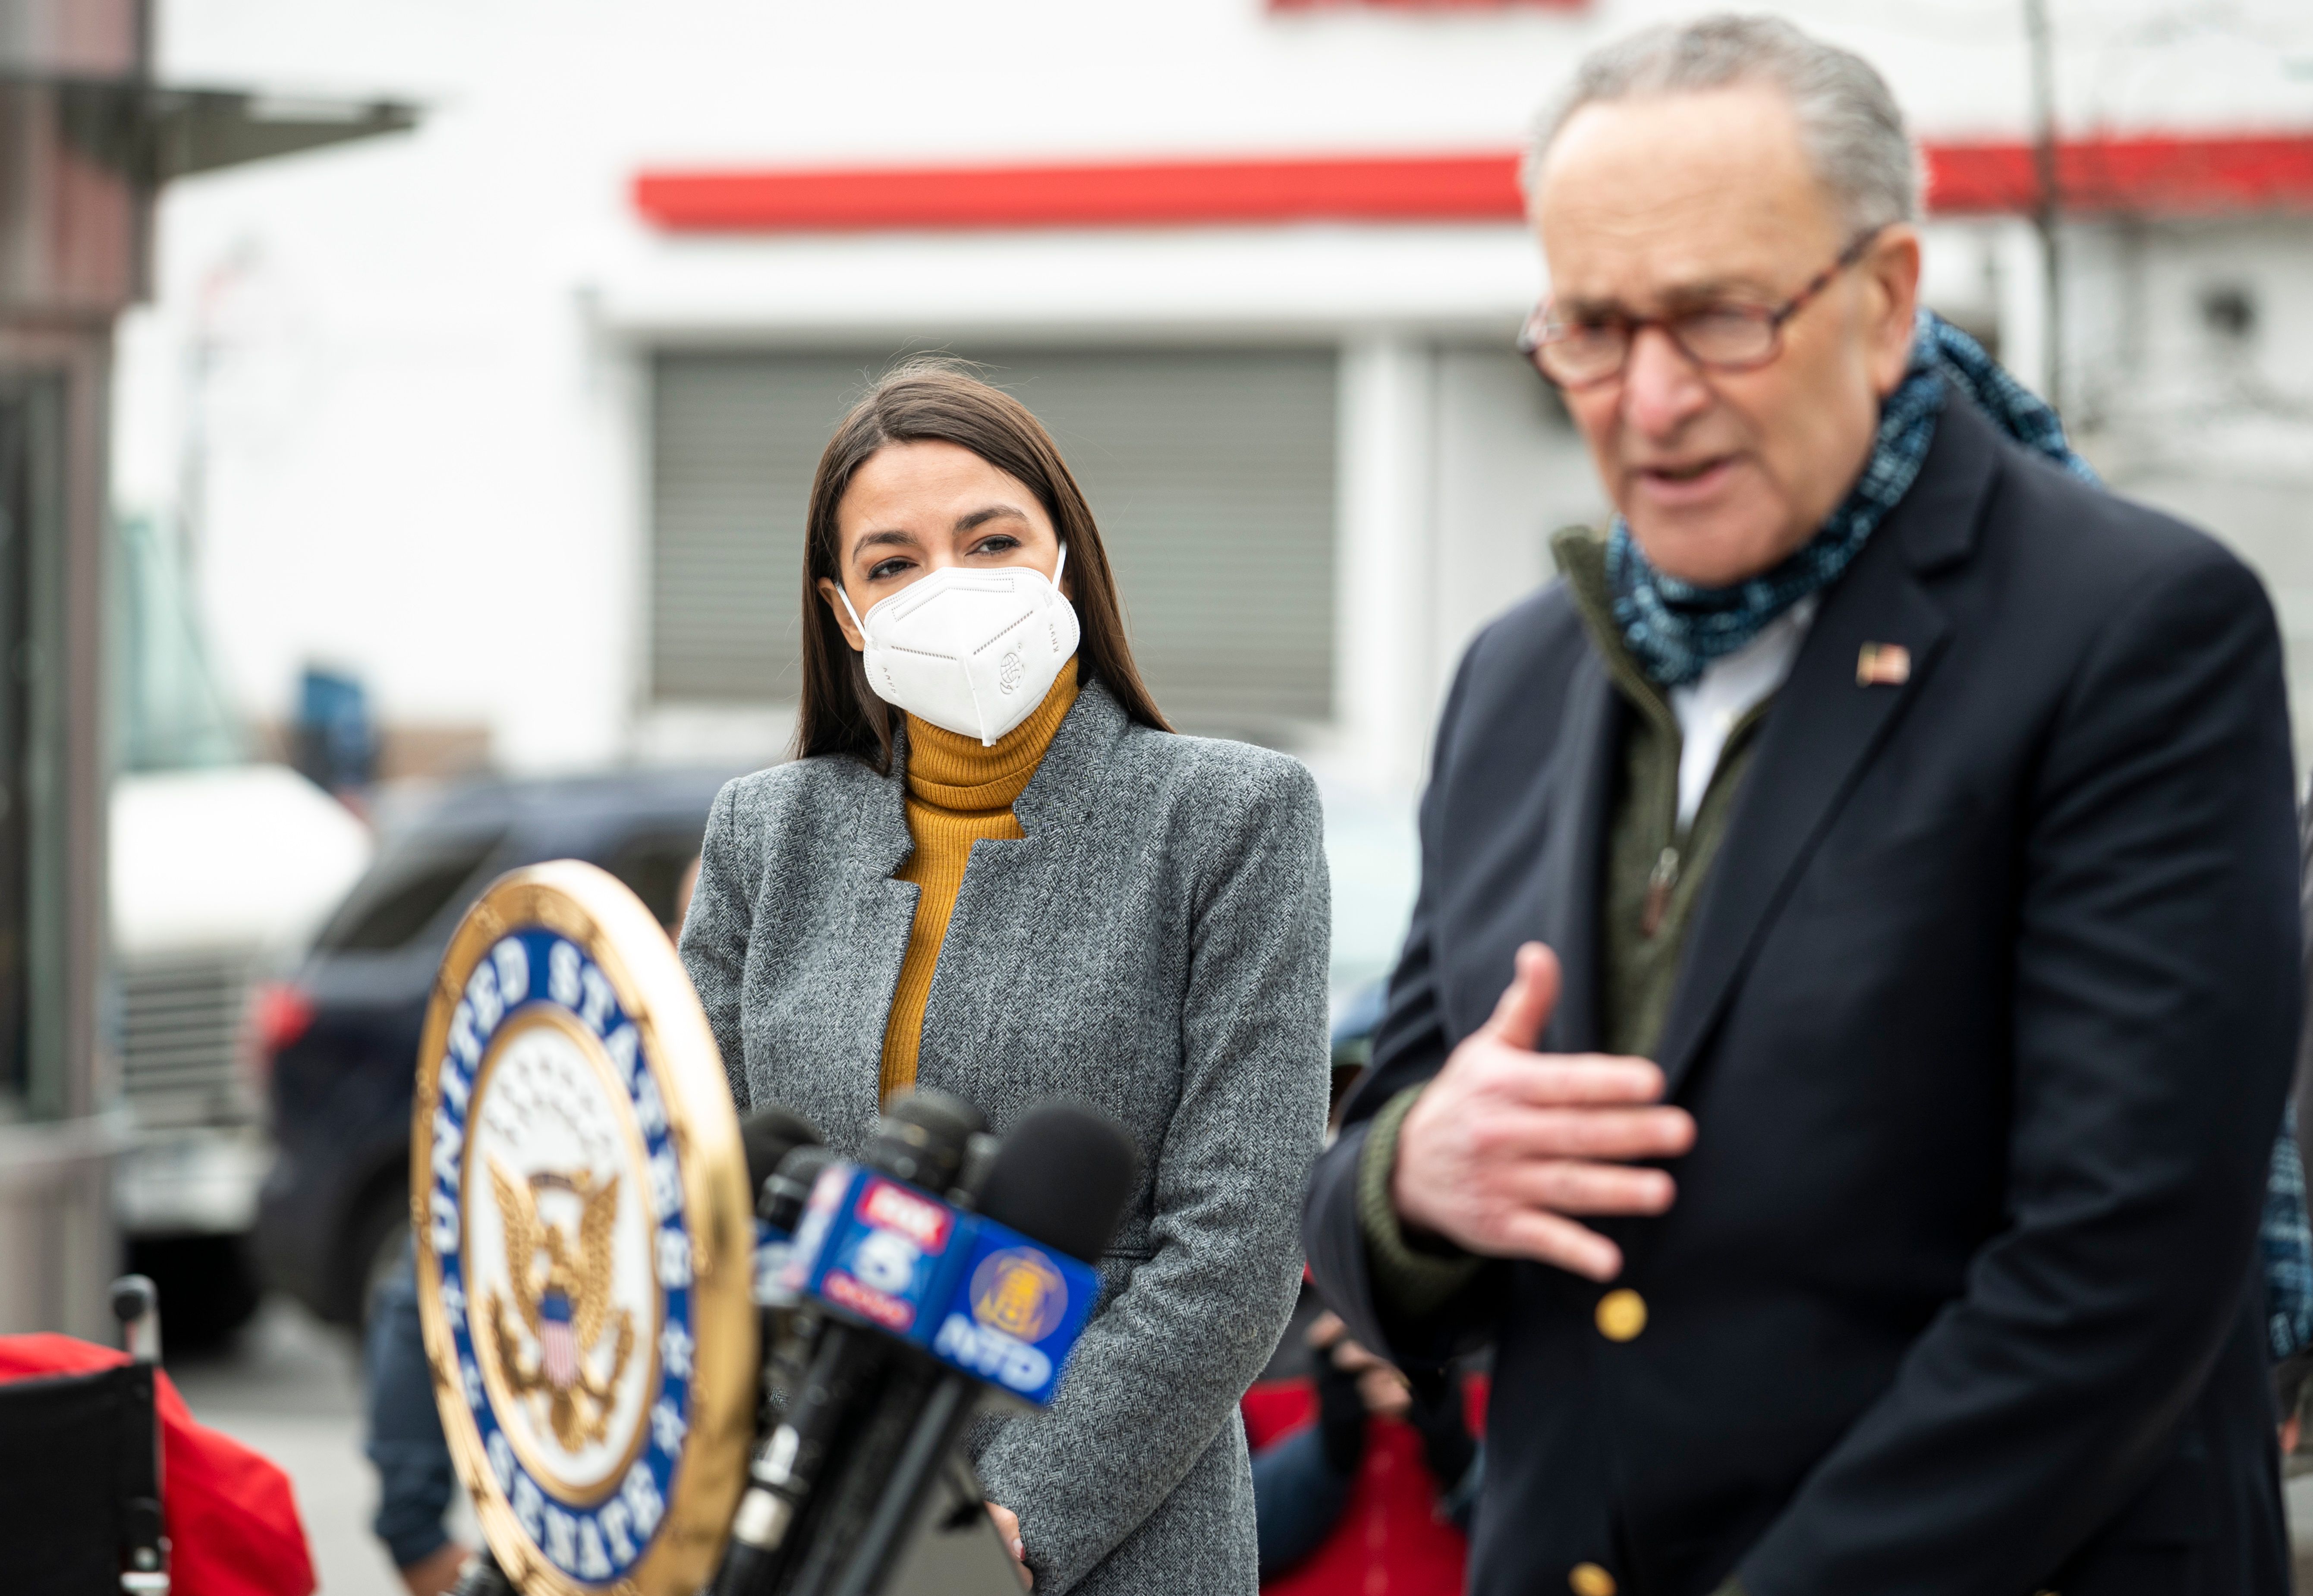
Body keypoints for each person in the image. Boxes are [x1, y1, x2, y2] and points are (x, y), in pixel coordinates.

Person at [1302, 16, 2301, 1596]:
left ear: (1888, 298)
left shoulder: (2131, 629)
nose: (1649, 396)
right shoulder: (1518, 672)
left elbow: (2119, 1274)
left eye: (1717, 318)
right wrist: (1415, 1172)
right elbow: (1372, 1174)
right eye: (1591, 327)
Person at [681, 361, 1330, 1593]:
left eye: (990, 541)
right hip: (797, 1527)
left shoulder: (1232, 818)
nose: (951, 589)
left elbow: (1237, 1245)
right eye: (893, 563)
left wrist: (1013, 1510)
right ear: (844, 609)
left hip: (1119, 1535)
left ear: (1064, 559)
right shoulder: (765, 834)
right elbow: (702, 1193)